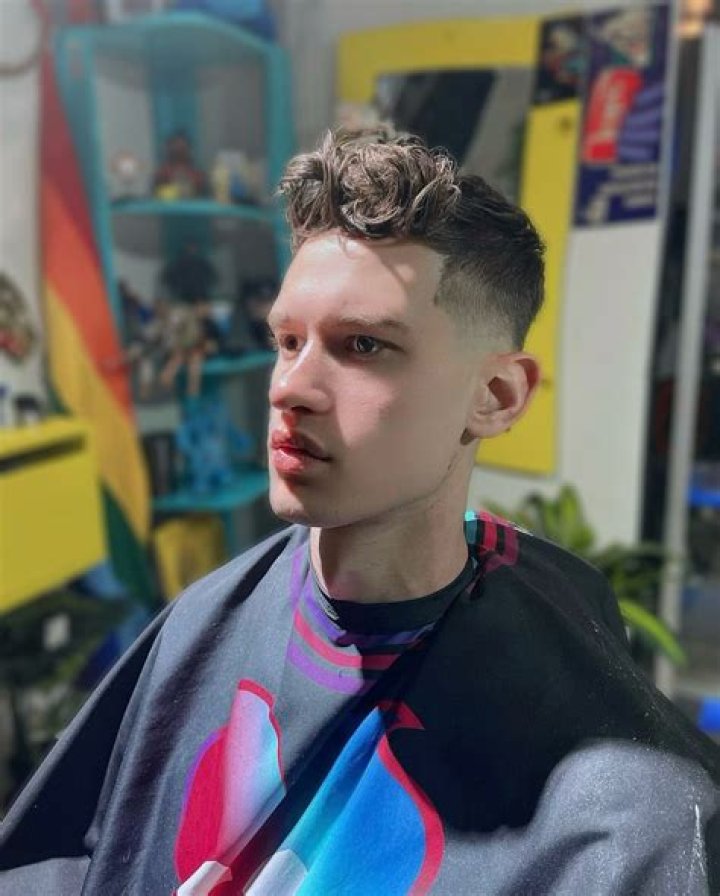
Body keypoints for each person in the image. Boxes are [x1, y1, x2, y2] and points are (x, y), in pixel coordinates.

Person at [1, 127, 719, 895]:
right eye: (287, 341)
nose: (289, 388)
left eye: (364, 346)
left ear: (496, 395)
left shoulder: (630, 815)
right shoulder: (202, 620)